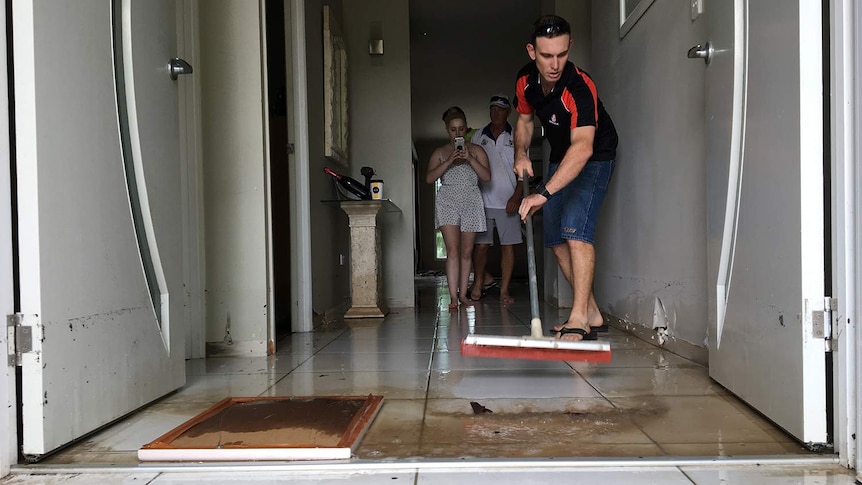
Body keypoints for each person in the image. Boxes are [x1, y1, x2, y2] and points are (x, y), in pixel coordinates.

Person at [513, 15, 618, 341]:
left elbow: (583, 148)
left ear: (569, 46)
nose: (555, 63)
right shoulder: (526, 82)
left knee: (575, 229)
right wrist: (521, 153)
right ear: (532, 51)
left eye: (561, 54)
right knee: (556, 238)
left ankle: (579, 319)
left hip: (594, 155)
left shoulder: (579, 87)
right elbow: (525, 122)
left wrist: (542, 192)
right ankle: (593, 312)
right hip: (561, 154)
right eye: (546, 56)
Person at [427, 106, 492, 310]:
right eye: (453, 129)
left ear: (467, 129)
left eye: (461, 129)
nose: (457, 133)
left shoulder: (477, 150)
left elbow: (487, 177)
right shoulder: (439, 152)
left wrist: (469, 158)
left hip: (471, 199)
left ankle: (463, 295)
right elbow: (429, 178)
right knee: (452, 250)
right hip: (447, 200)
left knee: (466, 251)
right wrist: (448, 162)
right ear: (447, 131)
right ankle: (453, 298)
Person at [468, 95, 522, 305]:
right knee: (481, 247)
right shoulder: (479, 135)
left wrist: (517, 197)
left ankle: (504, 290)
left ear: (508, 112)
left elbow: (522, 172)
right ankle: (479, 284)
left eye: (500, 110)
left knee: (508, 246)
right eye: (492, 109)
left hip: (509, 200)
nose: (495, 113)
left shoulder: (515, 136)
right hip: (483, 201)